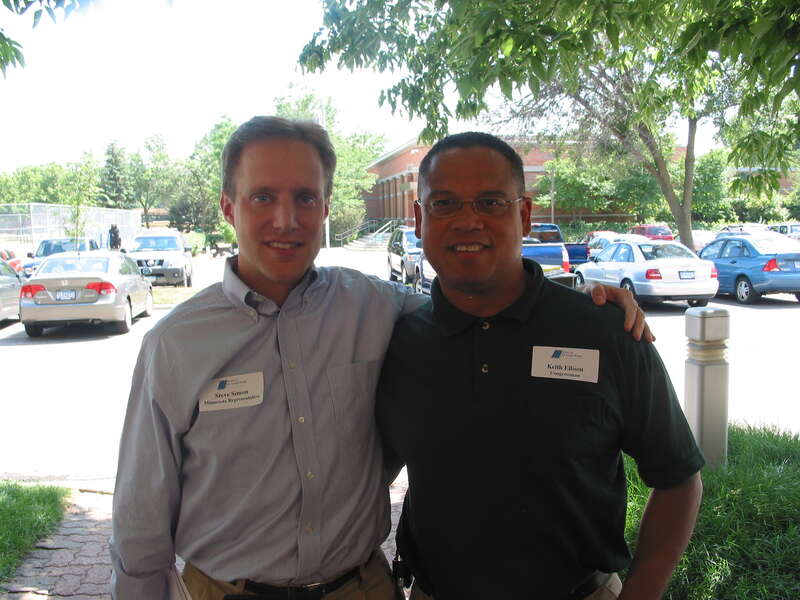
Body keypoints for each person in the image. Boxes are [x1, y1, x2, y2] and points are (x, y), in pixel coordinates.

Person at [110, 117, 650, 600]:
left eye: (304, 198)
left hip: (359, 587)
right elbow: (141, 513)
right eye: (262, 197)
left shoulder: (374, 306)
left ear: (324, 208)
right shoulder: (175, 344)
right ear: (229, 207)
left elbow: (479, 305)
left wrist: (577, 302)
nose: (286, 219)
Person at [376, 132, 705, 600]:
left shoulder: (606, 332)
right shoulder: (396, 339)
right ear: (419, 218)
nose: (468, 221)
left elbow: (677, 478)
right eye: (445, 203)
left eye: (490, 203)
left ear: (524, 215)